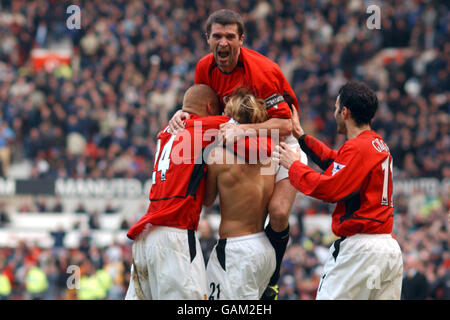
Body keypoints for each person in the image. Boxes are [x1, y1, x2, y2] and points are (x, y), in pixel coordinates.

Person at [168, 9, 307, 299]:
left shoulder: (263, 71)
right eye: (217, 36)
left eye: (230, 36)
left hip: (280, 142)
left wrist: (245, 132)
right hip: (239, 136)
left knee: (279, 212)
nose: (223, 42)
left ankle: (273, 280)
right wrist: (182, 115)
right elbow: (205, 108)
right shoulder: (203, 69)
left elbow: (285, 125)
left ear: (241, 39)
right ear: (207, 38)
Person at [273, 81, 403, 299]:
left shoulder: (356, 147)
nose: (334, 113)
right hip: (387, 249)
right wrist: (302, 138)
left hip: (360, 250)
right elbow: (337, 162)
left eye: (335, 108)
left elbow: (329, 188)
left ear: (344, 112)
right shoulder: (377, 144)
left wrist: (294, 166)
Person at [124, 84, 229, 300]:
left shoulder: (165, 132)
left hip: (146, 235)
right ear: (210, 107)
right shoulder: (202, 129)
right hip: (174, 235)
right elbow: (241, 123)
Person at [203, 89, 276, 300]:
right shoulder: (271, 158)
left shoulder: (218, 156)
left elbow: (207, 201)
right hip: (264, 247)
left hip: (236, 250)